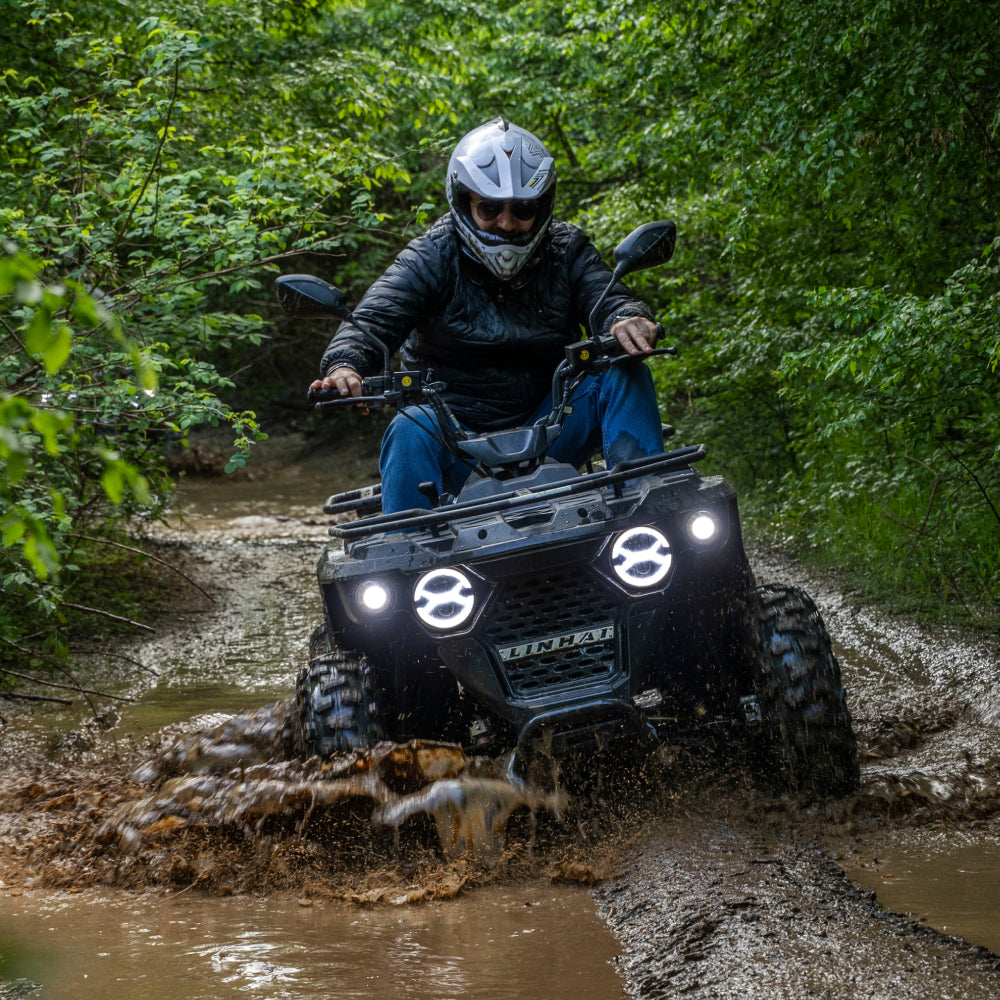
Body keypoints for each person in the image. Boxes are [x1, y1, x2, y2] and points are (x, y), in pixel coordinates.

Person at [310, 118, 665, 514]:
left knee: (623, 370)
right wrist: (346, 365)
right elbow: (373, 319)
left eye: (523, 209)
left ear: (542, 205)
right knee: (408, 426)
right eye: (490, 207)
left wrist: (626, 317)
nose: (507, 223)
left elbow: (607, 297)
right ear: (465, 202)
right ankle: (406, 542)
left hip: (555, 425)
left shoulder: (567, 249)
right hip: (454, 437)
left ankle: (647, 506)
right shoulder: (430, 255)